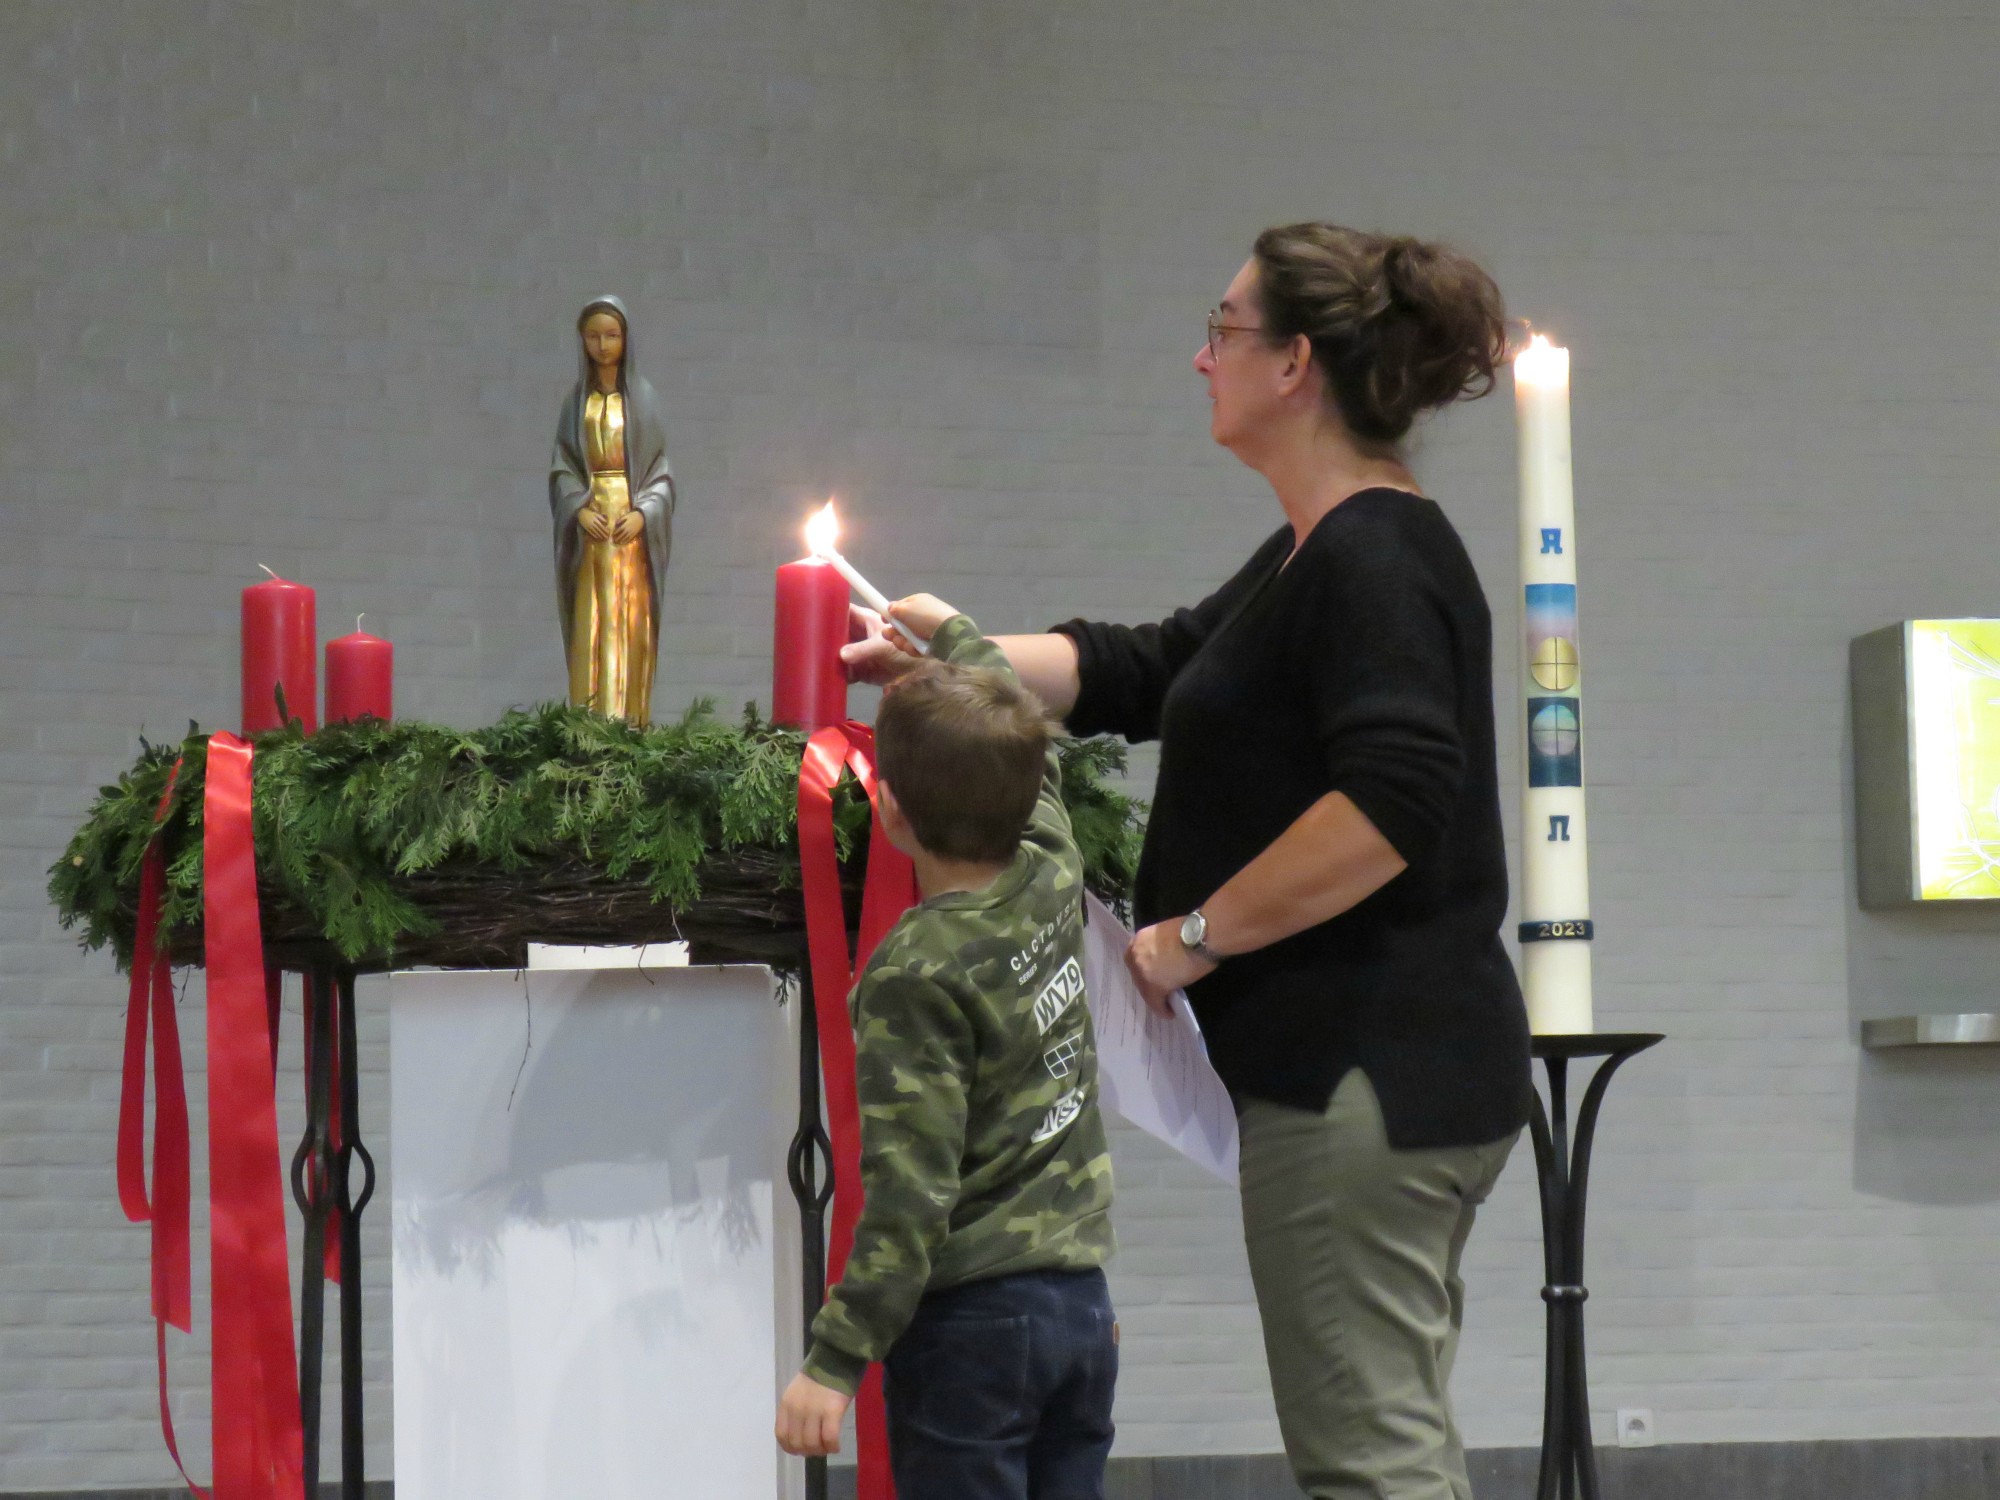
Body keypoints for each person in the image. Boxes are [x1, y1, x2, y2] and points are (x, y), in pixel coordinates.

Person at [845, 223, 1533, 1500]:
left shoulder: (1375, 556)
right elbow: (1149, 668)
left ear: (1295, 365)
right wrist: (956, 653)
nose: (1197, 356)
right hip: (1380, 1073)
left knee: (1365, 1466)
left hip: (1362, 1071)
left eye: (1221, 330)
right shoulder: (1313, 550)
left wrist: (1193, 936)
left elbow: (1390, 803)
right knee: (1394, 1445)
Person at [775, 601, 1119, 1499]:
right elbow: (1025, 742)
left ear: (885, 811)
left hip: (976, 1328)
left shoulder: (914, 974)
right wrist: (950, 633)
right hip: (1082, 1308)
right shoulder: (1051, 868)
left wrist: (835, 1360)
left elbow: (910, 1198)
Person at [548, 294, 676, 723]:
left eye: (612, 335)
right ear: (582, 341)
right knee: (593, 617)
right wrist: (577, 509)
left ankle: (630, 718)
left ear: (625, 339)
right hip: (593, 524)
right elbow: (562, 466)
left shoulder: (642, 398)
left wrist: (643, 513)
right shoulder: (575, 402)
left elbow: (661, 472)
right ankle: (589, 720)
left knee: (629, 618)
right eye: (593, 336)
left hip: (629, 523)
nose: (603, 345)